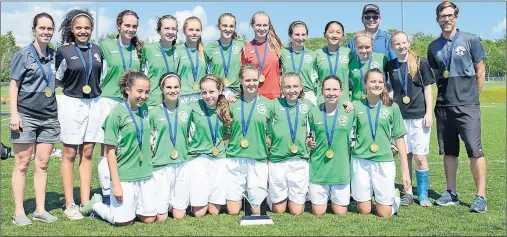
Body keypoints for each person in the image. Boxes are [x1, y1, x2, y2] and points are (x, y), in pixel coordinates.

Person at [427, 1, 487, 213]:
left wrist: (473, 97)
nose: (447, 19)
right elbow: (434, 76)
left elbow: (480, 70)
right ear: (437, 20)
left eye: (450, 15)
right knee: (449, 152)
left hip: (467, 105)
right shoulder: (433, 47)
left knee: (474, 150)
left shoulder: (471, 39)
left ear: (457, 17)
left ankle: (480, 196)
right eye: (443, 16)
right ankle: (451, 192)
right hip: (444, 106)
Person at [85, 71, 156, 226]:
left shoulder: (145, 110)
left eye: (147, 92)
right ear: (127, 89)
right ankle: (96, 205)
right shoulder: (115, 115)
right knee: (123, 223)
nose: (143, 96)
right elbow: (109, 152)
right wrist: (116, 184)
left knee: (149, 219)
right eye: (139, 91)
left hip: (145, 174)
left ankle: (132, 205)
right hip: (124, 176)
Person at [9, 12, 59, 226]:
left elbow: (57, 81)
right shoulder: (23, 54)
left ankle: (40, 210)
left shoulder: (55, 55)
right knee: (21, 164)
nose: (46, 32)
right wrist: (14, 113)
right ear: (34, 30)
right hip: (26, 115)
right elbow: (14, 84)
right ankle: (19, 212)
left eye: (49, 29)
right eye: (42, 28)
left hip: (49, 116)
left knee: (43, 163)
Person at [55, 9, 104, 220]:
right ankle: (69, 204)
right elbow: (56, 80)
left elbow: (101, 77)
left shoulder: (97, 49)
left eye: (87, 27)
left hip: (93, 103)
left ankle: (85, 202)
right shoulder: (63, 50)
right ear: (72, 30)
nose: (83, 31)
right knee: (69, 154)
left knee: (88, 153)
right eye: (79, 28)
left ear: (91, 29)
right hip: (71, 103)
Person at [97, 10, 143, 207]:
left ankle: (125, 186)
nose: (131, 29)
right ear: (119, 25)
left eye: (134, 26)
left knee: (128, 146)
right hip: (109, 101)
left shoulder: (138, 48)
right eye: (127, 25)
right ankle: (106, 193)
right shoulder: (105, 46)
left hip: (130, 103)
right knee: (108, 148)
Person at [351, 68, 410, 218]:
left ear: (384, 85)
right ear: (365, 83)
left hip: (384, 161)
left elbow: (399, 138)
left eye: (380, 82)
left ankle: (394, 197)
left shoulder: (392, 107)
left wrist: (405, 171)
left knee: (385, 213)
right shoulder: (356, 106)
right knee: (364, 210)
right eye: (372, 81)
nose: (376, 85)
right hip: (361, 160)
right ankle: (372, 197)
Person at [385, 31, 435, 207]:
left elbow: (428, 89)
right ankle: (408, 192)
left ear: (408, 42)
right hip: (400, 117)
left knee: (420, 157)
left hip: (419, 117)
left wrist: (429, 113)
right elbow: (389, 90)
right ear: (392, 46)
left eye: (403, 42)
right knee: (405, 156)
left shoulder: (421, 62)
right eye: (397, 44)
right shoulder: (390, 65)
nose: (401, 46)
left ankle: (422, 194)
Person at [225, 64, 272, 215]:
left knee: (256, 211)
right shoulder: (231, 103)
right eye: (247, 80)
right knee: (232, 211)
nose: (251, 83)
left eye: (255, 79)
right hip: (235, 158)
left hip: (257, 159)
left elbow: (271, 133)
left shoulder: (268, 104)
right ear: (240, 81)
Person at [306, 75, 355, 215]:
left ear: (341, 91)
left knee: (340, 212)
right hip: (319, 172)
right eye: (327, 89)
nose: (331, 93)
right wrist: (308, 142)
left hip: (340, 172)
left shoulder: (349, 112)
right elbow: (308, 135)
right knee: (318, 212)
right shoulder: (313, 112)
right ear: (322, 91)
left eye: (335, 89)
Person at [267, 72, 313, 215]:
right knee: (278, 210)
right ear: (281, 88)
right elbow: (262, 122)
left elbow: (319, 123)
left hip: (299, 158)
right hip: (278, 158)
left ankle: (296, 196)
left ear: (301, 87)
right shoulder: (274, 104)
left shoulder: (308, 105)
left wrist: (311, 138)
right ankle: (271, 195)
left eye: (295, 86)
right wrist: (267, 137)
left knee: (296, 211)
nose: (291, 90)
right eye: (287, 87)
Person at [187, 74, 232, 217]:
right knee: (199, 213)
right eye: (204, 92)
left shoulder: (227, 107)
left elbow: (227, 134)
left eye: (211, 92)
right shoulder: (192, 107)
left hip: (219, 158)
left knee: (213, 212)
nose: (207, 96)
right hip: (198, 157)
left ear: (220, 90)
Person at [148, 73, 192, 221]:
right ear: (162, 88)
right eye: (168, 87)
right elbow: (149, 141)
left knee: (179, 216)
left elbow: (190, 136)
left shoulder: (187, 110)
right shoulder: (153, 112)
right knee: (161, 218)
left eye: (176, 87)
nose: (172, 90)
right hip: (161, 165)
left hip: (181, 164)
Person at [241, 11, 282, 100]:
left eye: (265, 25)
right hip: (254, 96)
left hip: (275, 96)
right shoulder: (246, 48)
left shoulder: (277, 46)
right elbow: (243, 74)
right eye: (258, 25)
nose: (262, 28)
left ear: (269, 26)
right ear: (252, 25)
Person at [205, 13, 246, 101]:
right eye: (224, 26)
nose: (228, 29)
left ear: (235, 28)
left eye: (231, 26)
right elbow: (204, 73)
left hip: (237, 95)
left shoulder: (242, 44)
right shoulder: (209, 48)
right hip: (218, 95)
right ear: (218, 26)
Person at [142, 15, 179, 108]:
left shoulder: (179, 51)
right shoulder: (148, 49)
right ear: (159, 31)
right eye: (166, 28)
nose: (170, 32)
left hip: (173, 102)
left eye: (173, 29)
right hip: (153, 103)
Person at [279, 21, 318, 105]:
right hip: (288, 93)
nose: (300, 38)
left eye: (303, 34)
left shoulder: (313, 54)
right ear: (290, 35)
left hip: (307, 95)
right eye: (297, 34)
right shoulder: (282, 53)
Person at [315, 21, 352, 105]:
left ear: (342, 35)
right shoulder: (317, 54)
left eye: (338, 32)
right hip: (322, 101)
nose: (334, 35)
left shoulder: (349, 53)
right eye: (331, 32)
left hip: (343, 102)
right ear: (325, 34)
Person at [349, 31, 388, 101]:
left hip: (379, 102)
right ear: (355, 47)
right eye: (360, 47)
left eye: (367, 47)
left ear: (372, 46)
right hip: (358, 103)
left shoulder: (382, 58)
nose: (364, 51)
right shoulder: (351, 62)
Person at [176, 16, 207, 104]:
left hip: (201, 97)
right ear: (184, 31)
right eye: (191, 30)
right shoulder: (177, 50)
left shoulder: (205, 51)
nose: (194, 33)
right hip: (182, 97)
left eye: (197, 30)